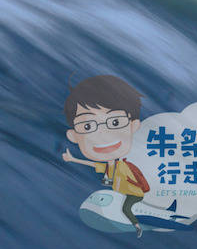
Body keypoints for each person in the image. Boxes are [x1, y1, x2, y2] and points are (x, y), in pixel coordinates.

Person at [63, 75, 152, 232]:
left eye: (115, 122)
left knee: (125, 209)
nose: (102, 134)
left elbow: (137, 178)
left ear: (133, 126)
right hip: (124, 193)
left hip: (135, 194)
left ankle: (137, 226)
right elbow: (93, 164)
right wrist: (73, 159)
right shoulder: (111, 167)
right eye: (88, 126)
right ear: (73, 135)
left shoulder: (123, 166)